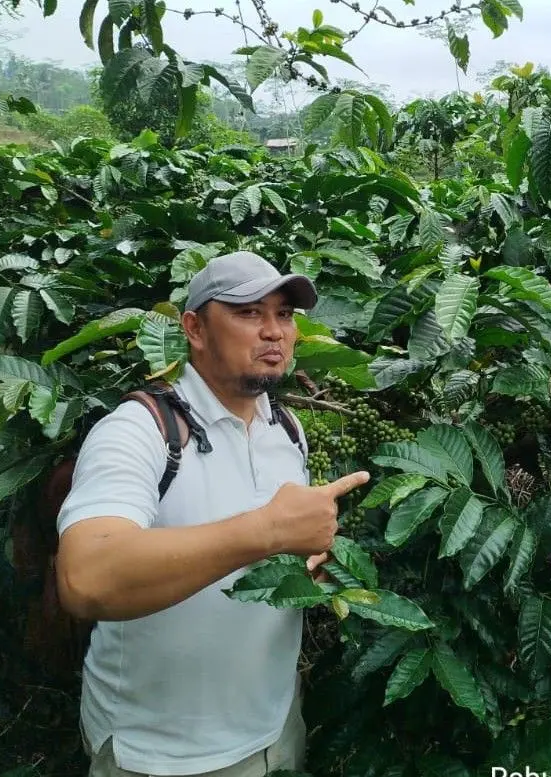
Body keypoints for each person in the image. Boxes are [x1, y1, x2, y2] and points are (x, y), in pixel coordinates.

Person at [55, 250, 369, 777]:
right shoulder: (138, 430)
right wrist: (269, 531)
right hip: (156, 754)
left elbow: (266, 554)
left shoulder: (286, 431)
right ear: (194, 329)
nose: (273, 331)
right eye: (248, 313)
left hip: (275, 729)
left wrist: (311, 561)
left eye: (284, 314)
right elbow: (86, 579)